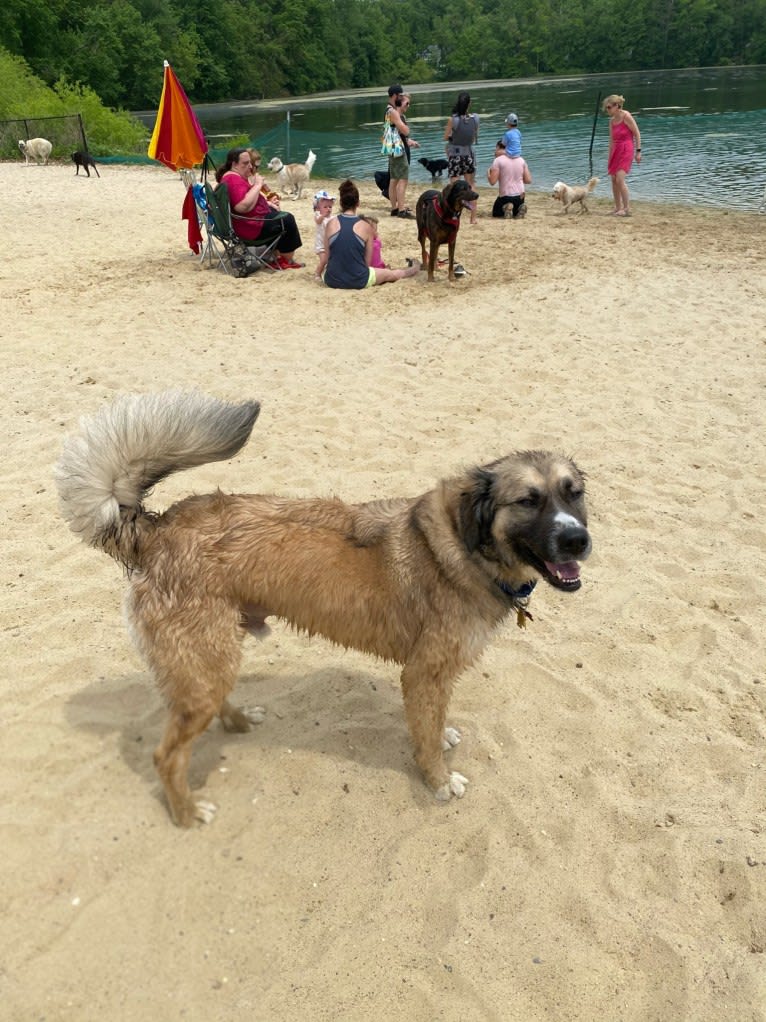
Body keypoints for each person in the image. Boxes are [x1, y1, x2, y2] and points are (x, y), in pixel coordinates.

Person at [317, 179, 420, 289]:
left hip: (332, 279)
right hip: (358, 280)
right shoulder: (366, 227)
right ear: (358, 203)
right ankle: (414, 268)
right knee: (391, 274)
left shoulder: (330, 224)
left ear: (341, 203)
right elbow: (367, 263)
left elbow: (328, 258)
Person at [216, 147, 303, 269]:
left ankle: (278, 257)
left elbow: (246, 202)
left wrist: (267, 203)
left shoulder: (231, 177)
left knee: (278, 214)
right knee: (288, 219)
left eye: (250, 163)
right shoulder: (233, 179)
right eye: (245, 163)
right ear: (234, 164)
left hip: (246, 224)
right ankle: (285, 260)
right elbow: (242, 207)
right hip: (250, 228)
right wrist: (258, 185)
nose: (250, 167)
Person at [383, 87, 419, 219]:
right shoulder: (392, 111)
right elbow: (405, 131)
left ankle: (395, 208)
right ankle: (401, 210)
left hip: (392, 147)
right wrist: (405, 126)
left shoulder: (388, 110)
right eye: (400, 95)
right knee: (402, 179)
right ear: (394, 96)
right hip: (397, 148)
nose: (401, 97)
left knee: (394, 179)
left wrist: (408, 140)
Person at [443, 91, 480, 224]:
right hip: (469, 154)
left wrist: (453, 136)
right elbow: (475, 136)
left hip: (455, 155)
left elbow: (446, 137)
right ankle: (473, 218)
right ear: (469, 103)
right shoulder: (475, 118)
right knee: (471, 185)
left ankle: (452, 214)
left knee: (453, 185)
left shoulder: (453, 120)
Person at [603, 94, 642, 216]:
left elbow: (637, 134)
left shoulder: (626, 116)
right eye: (606, 108)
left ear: (617, 106)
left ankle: (626, 209)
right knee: (613, 179)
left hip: (626, 148)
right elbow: (611, 141)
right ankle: (617, 207)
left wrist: (638, 151)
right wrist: (609, 157)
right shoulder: (611, 121)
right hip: (616, 150)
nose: (607, 110)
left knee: (620, 178)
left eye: (609, 107)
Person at [487, 140, 531, 218]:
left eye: (496, 148)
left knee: (496, 213)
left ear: (499, 148)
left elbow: (492, 182)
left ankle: (507, 206)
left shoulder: (498, 161)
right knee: (514, 210)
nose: (495, 151)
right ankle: (519, 208)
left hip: (506, 196)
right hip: (520, 196)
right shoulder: (521, 160)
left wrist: (488, 173)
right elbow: (528, 180)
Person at [313, 189, 335, 276]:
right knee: (324, 260)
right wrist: (323, 215)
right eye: (325, 207)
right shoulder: (318, 216)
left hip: (330, 244)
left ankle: (326, 273)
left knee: (329, 260)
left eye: (330, 207)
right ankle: (317, 273)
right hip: (321, 244)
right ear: (318, 208)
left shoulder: (332, 217)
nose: (328, 209)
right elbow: (318, 221)